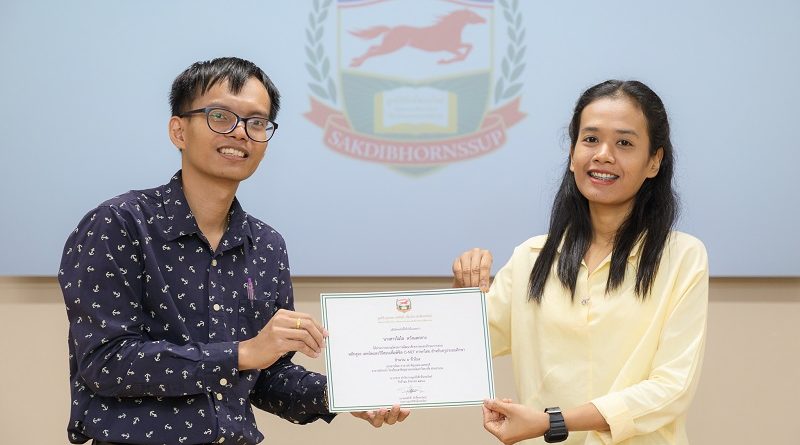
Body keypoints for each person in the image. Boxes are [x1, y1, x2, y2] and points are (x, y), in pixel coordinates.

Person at [58, 57, 408, 445]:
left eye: (256, 122)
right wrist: (241, 353)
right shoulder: (119, 224)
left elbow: (266, 376)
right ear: (179, 131)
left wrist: (344, 393)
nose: (240, 132)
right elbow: (106, 362)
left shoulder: (267, 245)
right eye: (221, 117)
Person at [453, 80, 708, 444]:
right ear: (572, 153)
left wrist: (552, 422)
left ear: (654, 161)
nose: (603, 155)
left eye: (624, 143)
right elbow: (463, 349)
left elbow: (671, 389)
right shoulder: (531, 258)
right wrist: (462, 298)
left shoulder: (682, 257)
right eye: (590, 139)